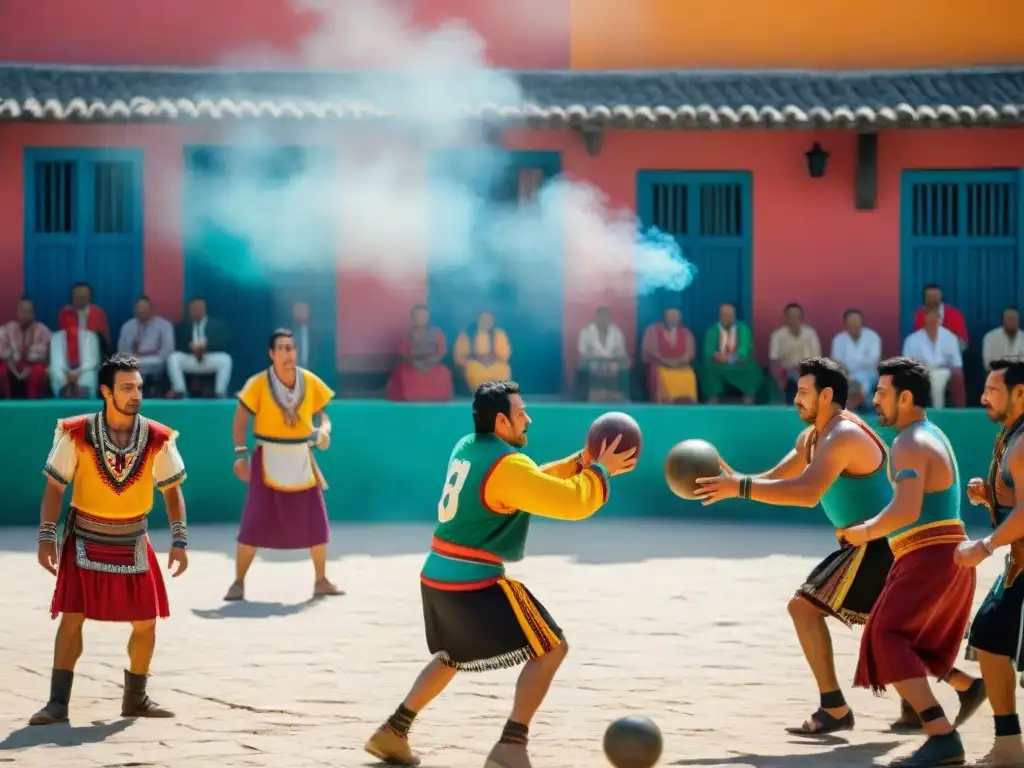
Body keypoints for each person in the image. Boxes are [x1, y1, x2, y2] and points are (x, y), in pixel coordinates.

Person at [692, 357, 982, 736]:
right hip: (870, 542)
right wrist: (739, 481)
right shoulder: (812, 437)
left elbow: (808, 492)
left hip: (875, 542)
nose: (796, 398)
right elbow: (782, 477)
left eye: (804, 392)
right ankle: (960, 688)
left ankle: (836, 708)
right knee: (885, 631)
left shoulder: (844, 436)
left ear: (827, 395)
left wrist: (740, 488)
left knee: (806, 609)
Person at [363, 381, 637, 768]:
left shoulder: (469, 447)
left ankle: (393, 731)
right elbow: (570, 503)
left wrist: (583, 462)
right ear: (501, 422)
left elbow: (530, 483)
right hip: (471, 583)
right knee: (552, 649)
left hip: (436, 577)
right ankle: (511, 746)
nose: (529, 418)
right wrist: (600, 474)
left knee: (452, 656)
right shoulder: (508, 465)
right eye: (521, 412)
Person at [29, 354, 189, 725]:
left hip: (134, 538)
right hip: (84, 535)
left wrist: (179, 539)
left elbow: (172, 490)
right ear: (105, 391)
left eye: (139, 388)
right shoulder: (76, 433)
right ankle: (57, 703)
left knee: (147, 621)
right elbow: (55, 487)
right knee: (72, 618)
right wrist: (46, 534)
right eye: (127, 388)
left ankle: (136, 698)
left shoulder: (158, 437)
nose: (136, 395)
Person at [838, 356, 976, 767]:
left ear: (907, 397)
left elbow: (907, 509)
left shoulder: (908, 442)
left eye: (882, 393)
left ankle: (941, 734)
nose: (874, 400)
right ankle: (967, 688)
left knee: (887, 636)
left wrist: (864, 532)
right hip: (940, 555)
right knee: (910, 640)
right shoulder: (931, 434)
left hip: (927, 556)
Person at [225, 329, 340, 601]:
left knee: (317, 523)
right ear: (271, 353)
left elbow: (324, 415)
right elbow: (240, 420)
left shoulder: (309, 381)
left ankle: (321, 580)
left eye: (291, 348)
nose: (287, 354)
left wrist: (324, 431)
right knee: (252, 523)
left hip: (301, 459)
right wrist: (240, 455)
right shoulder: (257, 383)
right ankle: (238, 582)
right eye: (282, 349)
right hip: (267, 459)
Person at [954, 355, 1024, 766]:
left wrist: (984, 546)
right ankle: (1009, 744)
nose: (983, 397)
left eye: (992, 390)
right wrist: (993, 498)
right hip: (1018, 564)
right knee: (991, 638)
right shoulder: (1011, 434)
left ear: (1020, 393)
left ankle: (1010, 746)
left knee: (992, 638)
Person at [386, 304, 454, 402]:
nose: (420, 319)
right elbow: (404, 352)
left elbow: (441, 351)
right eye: (417, 316)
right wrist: (416, 364)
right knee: (405, 375)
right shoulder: (406, 334)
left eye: (423, 317)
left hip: (432, 364)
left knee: (444, 373)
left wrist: (428, 363)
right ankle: (410, 401)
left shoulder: (436, 333)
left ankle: (438, 400)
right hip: (412, 364)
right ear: (412, 318)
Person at [699, 302, 763, 404]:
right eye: (724, 315)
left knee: (752, 369)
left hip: (738, 363)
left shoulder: (743, 329)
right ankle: (713, 398)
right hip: (718, 363)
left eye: (729, 315)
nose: (727, 317)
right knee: (709, 369)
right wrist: (719, 357)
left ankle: (748, 397)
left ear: (734, 315)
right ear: (719, 316)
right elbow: (710, 350)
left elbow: (744, 348)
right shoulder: (713, 330)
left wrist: (730, 359)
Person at [640, 307, 696, 404]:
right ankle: (665, 402)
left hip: (680, 366)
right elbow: (650, 351)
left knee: (689, 374)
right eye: (670, 316)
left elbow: (690, 353)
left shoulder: (686, 333)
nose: (673, 319)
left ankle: (686, 402)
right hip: (660, 365)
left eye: (676, 316)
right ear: (664, 317)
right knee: (659, 375)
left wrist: (680, 362)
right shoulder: (653, 330)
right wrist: (666, 362)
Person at [453, 311, 512, 392]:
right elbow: (459, 356)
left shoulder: (499, 334)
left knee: (502, 368)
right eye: (483, 319)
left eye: (488, 320)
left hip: (494, 364)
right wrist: (474, 360)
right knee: (473, 368)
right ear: (477, 320)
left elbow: (505, 354)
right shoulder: (467, 334)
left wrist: (492, 358)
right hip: (475, 364)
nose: (486, 322)